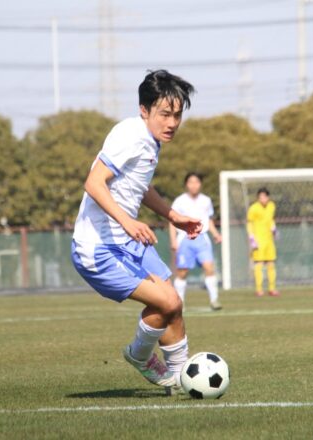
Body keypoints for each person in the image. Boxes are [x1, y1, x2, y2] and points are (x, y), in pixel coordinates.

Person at [71, 70, 201, 393]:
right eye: (164, 114)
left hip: (126, 243)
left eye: (177, 115)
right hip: (97, 248)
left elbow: (140, 187)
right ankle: (139, 355)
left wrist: (173, 216)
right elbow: (94, 183)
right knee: (167, 301)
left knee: (174, 303)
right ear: (144, 110)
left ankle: (181, 379)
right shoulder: (130, 134)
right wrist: (127, 222)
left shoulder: (150, 141)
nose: (172, 123)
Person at [169, 172, 223, 310]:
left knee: (209, 268)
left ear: (200, 184)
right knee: (182, 272)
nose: (194, 185)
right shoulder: (179, 201)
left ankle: (214, 300)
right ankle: (179, 303)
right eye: (191, 182)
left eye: (197, 182)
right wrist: (173, 240)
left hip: (202, 238)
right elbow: (172, 221)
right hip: (185, 239)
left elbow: (208, 220)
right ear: (186, 184)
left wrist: (216, 234)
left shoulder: (206, 200)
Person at [247, 188, 279, 297]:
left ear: (268, 197)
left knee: (271, 263)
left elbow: (271, 220)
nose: (263, 199)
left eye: (265, 197)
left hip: (269, 240)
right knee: (259, 264)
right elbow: (249, 223)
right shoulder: (253, 208)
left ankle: (272, 288)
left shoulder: (271, 206)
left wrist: (274, 229)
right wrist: (251, 237)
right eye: (260, 197)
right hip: (258, 240)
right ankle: (259, 289)